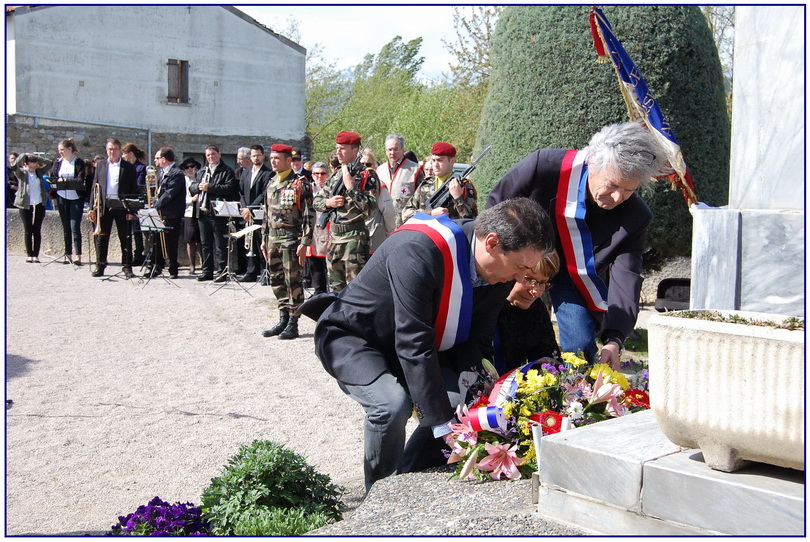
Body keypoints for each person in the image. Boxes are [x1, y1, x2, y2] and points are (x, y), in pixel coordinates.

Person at [305, 197, 556, 491]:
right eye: (519, 267)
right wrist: (441, 426)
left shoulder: (497, 269)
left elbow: (477, 338)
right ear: (492, 242)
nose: (518, 278)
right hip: (358, 338)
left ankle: (411, 477)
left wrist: (485, 391)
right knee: (391, 406)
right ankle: (380, 496)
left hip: (417, 344)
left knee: (458, 402)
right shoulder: (420, 249)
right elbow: (414, 340)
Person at [487, 121, 670, 369]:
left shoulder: (635, 216)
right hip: (519, 263)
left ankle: (576, 397)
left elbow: (626, 276)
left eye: (628, 190)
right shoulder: (544, 167)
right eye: (613, 185)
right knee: (494, 329)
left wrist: (615, 338)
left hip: (575, 276)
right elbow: (496, 209)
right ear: (592, 163)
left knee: (581, 346)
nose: (617, 198)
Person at [259, 144, 314, 340]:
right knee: (276, 280)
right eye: (271, 158)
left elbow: (309, 215)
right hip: (273, 239)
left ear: (288, 161)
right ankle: (283, 318)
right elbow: (266, 214)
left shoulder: (299, 184)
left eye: (277, 158)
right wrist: (264, 239)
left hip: (291, 239)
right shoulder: (271, 182)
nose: (273, 162)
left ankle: (293, 322)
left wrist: (305, 242)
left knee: (293, 282)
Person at [312, 131, 379, 292]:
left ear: (355, 151)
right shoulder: (335, 176)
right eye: (337, 148)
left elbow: (370, 209)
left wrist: (351, 189)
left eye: (342, 148)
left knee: (356, 290)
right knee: (335, 289)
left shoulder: (366, 176)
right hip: (334, 238)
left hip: (354, 239)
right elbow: (316, 201)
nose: (338, 153)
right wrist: (328, 202)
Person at [492, 251, 561, 373]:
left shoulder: (536, 310)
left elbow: (548, 359)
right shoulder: (486, 304)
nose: (536, 292)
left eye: (542, 283)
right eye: (529, 279)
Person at [87, 138, 138, 278]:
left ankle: (127, 267)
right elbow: (94, 188)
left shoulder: (128, 167)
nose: (112, 151)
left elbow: (134, 189)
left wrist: (131, 210)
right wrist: (92, 207)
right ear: (106, 150)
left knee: (125, 238)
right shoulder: (101, 165)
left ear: (120, 150)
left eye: (115, 148)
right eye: (110, 149)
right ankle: (100, 265)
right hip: (104, 206)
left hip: (122, 206)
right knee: (101, 237)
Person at [190, 145, 238, 282]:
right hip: (202, 212)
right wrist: (197, 187)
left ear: (219, 154)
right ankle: (207, 271)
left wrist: (209, 187)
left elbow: (229, 189)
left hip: (217, 212)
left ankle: (222, 271)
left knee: (220, 244)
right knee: (205, 244)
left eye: (213, 154)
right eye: (208, 155)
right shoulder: (202, 171)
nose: (210, 157)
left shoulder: (227, 171)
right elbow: (192, 187)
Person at [402, 142, 477, 222]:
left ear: (452, 161)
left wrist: (458, 198)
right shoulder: (425, 185)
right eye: (433, 160)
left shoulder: (464, 186)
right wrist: (430, 213)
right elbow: (405, 214)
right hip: (427, 233)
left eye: (440, 160)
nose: (435, 164)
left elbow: (472, 221)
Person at [143, 147, 185, 279]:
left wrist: (155, 204)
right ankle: (157, 266)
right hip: (160, 211)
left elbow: (169, 193)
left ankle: (173, 268)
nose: (155, 161)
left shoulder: (177, 173)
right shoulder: (160, 173)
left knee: (171, 242)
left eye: (157, 158)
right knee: (156, 240)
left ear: (164, 159)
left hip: (171, 213)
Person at [237, 144, 272, 282]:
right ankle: (251, 272)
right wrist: (245, 208)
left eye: (258, 155)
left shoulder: (268, 173)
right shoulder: (246, 172)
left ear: (263, 156)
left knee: (261, 243)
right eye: (253, 155)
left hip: (259, 213)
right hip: (247, 213)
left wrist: (250, 208)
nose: (255, 158)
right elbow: (240, 191)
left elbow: (264, 193)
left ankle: (265, 272)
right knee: (249, 243)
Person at [50, 139, 87, 265]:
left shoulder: (78, 162)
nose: (60, 152)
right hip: (62, 196)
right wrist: (57, 181)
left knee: (74, 226)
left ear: (69, 149)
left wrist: (70, 181)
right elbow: (53, 176)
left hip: (76, 197)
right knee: (66, 226)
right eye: (59, 150)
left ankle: (78, 255)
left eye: (62, 149)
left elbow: (81, 177)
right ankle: (68, 253)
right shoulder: (57, 162)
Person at [11, 153, 53, 263]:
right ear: (26, 164)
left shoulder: (39, 172)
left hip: (39, 202)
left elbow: (50, 163)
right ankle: (29, 254)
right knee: (28, 229)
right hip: (25, 203)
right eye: (30, 166)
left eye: (34, 166)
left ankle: (36, 254)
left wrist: (37, 158)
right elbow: (14, 166)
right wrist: (23, 155)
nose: (32, 168)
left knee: (37, 229)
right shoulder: (22, 173)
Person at [376, 134, 422, 228]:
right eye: (389, 149)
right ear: (385, 151)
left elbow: (422, 199)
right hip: (383, 224)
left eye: (395, 149)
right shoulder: (379, 170)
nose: (392, 153)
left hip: (405, 223)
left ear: (402, 150)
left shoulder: (415, 169)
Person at [362, 149, 395, 254]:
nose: (365, 167)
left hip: (373, 238)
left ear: (375, 166)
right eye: (361, 164)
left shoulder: (379, 185)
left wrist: (389, 231)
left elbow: (388, 211)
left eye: (368, 164)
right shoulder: (349, 184)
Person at [304, 161, 330, 295]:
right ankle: (318, 290)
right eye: (316, 173)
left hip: (327, 228)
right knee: (313, 261)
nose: (319, 176)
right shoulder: (308, 188)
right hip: (312, 229)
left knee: (327, 261)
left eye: (322, 173)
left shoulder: (331, 188)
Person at [122, 142, 148, 266]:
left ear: (131, 154)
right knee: (128, 230)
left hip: (137, 202)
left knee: (137, 229)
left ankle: (139, 254)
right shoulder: (125, 167)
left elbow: (139, 184)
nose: (123, 156)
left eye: (124, 154)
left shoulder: (141, 168)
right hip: (126, 202)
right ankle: (129, 254)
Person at [180, 157, 202, 274]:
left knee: (203, 239)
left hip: (202, 210)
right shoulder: (183, 180)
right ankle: (192, 265)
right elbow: (180, 198)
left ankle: (205, 265)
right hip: (189, 212)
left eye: (192, 166)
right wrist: (191, 200)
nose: (190, 169)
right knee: (190, 239)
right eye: (187, 167)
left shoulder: (201, 178)